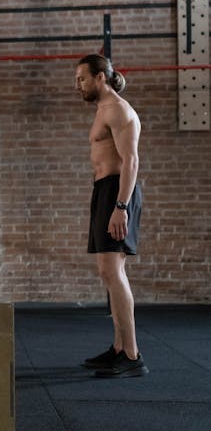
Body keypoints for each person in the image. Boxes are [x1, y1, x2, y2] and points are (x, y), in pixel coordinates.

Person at [75, 53, 148, 378]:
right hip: (106, 191)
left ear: (100, 77)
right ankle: (119, 347)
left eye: (82, 78)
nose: (79, 85)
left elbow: (131, 161)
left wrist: (120, 207)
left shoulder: (118, 109)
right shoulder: (103, 110)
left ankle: (131, 355)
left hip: (118, 191)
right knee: (109, 272)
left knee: (113, 272)